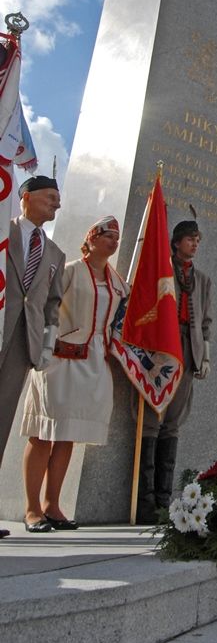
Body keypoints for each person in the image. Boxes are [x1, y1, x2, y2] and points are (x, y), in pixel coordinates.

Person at [20, 216, 128, 531]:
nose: (113, 241)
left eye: (116, 238)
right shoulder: (69, 271)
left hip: (92, 361)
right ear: (91, 238)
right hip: (58, 360)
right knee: (42, 433)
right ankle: (31, 509)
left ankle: (53, 505)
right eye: (107, 235)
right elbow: (44, 308)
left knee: (67, 435)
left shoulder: (116, 281)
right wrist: (46, 347)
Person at [136, 219, 212, 523]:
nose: (194, 244)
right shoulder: (160, 268)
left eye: (198, 240)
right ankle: (144, 501)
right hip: (160, 349)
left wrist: (205, 354)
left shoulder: (203, 280)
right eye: (190, 239)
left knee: (173, 423)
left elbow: (206, 320)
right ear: (177, 241)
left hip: (188, 350)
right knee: (152, 421)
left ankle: (164, 500)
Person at [0, 176, 64, 472]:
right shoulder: (4, 231)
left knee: (2, 417)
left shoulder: (55, 254)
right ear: (25, 196)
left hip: (23, 344)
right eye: (51, 197)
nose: (58, 203)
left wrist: (47, 344)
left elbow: (52, 304)